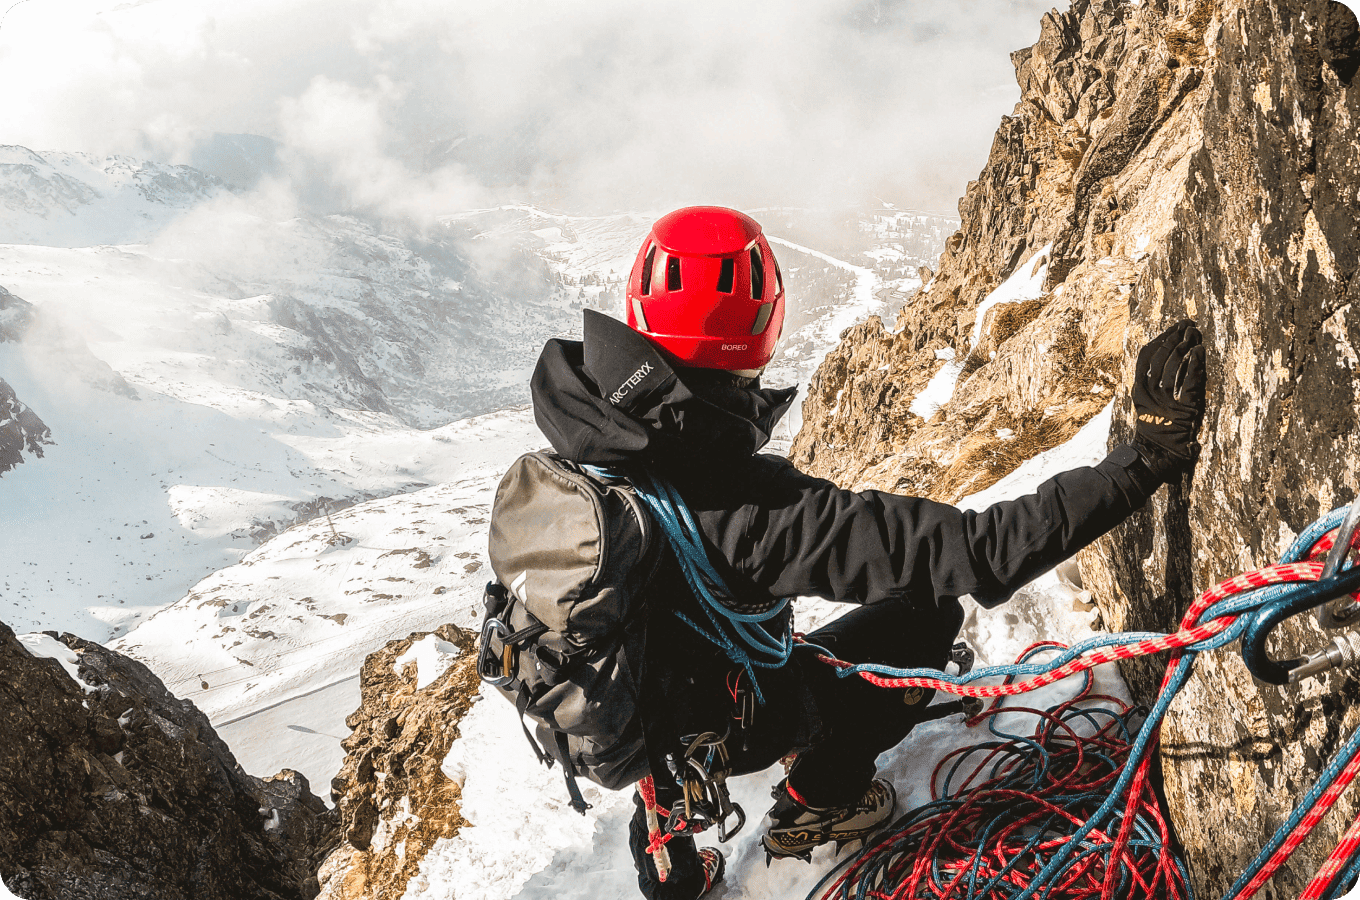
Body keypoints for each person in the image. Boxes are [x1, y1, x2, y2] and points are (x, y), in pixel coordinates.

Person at [527, 206, 1208, 900]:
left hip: (615, 708)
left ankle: (667, 847)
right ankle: (822, 797)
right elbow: (977, 552)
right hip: (720, 717)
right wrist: (1141, 464)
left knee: (679, 687)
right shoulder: (751, 512)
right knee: (925, 612)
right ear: (763, 329)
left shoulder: (582, 444)